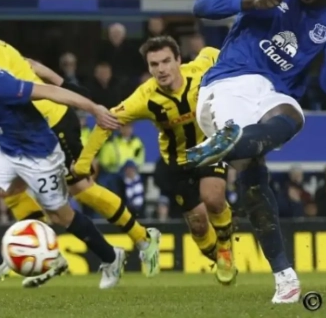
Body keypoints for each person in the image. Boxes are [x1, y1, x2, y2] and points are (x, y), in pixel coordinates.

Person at [184, 0, 326, 303]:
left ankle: (285, 277)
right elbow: (203, 5)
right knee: (254, 168)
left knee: (289, 123)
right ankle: (233, 142)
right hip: (231, 81)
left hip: (272, 95)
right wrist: (250, 1)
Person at [0, 9, 161, 286]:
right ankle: (43, 255)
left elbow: (32, 87)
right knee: (8, 192)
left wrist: (82, 99)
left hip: (50, 125)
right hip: (13, 137)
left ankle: (141, 238)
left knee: (80, 191)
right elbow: (30, 65)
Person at [73, 37, 238, 285]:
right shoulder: (145, 97)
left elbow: (214, 51)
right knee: (199, 226)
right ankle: (217, 257)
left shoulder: (200, 70)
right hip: (177, 163)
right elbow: (107, 121)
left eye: (166, 61)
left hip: (209, 148)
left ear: (179, 60)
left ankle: (225, 247)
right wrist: (83, 163)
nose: (161, 69)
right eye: (154, 64)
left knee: (213, 197)